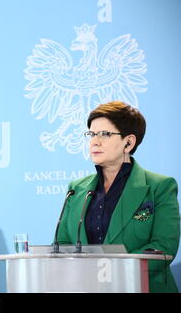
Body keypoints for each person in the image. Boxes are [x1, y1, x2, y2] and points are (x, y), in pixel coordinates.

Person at [56, 101, 180, 293]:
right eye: (91, 134)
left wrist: (108, 272)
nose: (94, 142)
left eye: (104, 134)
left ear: (128, 142)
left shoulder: (159, 187)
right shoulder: (76, 189)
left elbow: (163, 247)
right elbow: (63, 244)